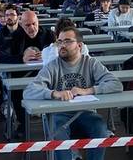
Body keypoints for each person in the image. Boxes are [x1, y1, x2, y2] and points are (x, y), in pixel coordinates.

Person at [24, 27, 122, 160]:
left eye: (67, 41)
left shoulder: (91, 63)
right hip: (59, 115)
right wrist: (54, 93)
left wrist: (88, 90)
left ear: (79, 46)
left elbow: (116, 84)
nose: (62, 45)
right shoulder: (52, 66)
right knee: (57, 132)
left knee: (100, 128)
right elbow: (29, 90)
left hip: (86, 113)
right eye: (59, 42)